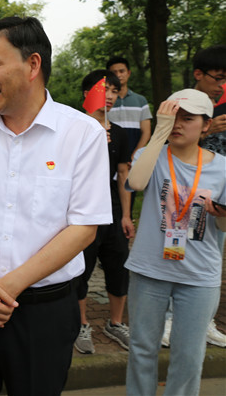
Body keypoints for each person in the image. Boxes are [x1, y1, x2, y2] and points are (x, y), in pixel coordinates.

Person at [0, 16, 112, 395]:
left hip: (44, 313)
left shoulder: (82, 134)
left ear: (32, 65)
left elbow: (84, 228)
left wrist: (4, 290)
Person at [125, 89, 226, 396]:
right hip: (149, 269)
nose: (178, 124)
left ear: (206, 125)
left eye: (188, 118)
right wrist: (160, 131)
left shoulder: (222, 167)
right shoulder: (150, 155)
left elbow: (223, 226)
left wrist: (221, 214)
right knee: (142, 349)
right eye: (172, 117)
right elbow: (136, 183)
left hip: (199, 275)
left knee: (189, 356)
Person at [161, 46, 226, 350]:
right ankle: (170, 319)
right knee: (177, 251)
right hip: (185, 191)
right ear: (199, 74)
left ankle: (205, 320)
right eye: (218, 77)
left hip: (219, 193)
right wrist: (206, 133)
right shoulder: (181, 105)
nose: (222, 86)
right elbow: (170, 142)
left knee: (213, 254)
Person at [74, 70, 135, 355]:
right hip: (82, 208)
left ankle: (116, 323)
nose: (109, 96)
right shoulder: (75, 127)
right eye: (103, 89)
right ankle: (81, 324)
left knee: (118, 264)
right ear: (87, 93)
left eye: (114, 90)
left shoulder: (119, 132)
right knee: (82, 267)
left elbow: (123, 174)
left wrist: (126, 215)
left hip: (111, 207)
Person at [106, 56, 152, 160]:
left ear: (129, 73)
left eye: (122, 71)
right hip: (109, 156)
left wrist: (135, 156)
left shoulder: (141, 101)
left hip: (135, 156)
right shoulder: (105, 102)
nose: (118, 75)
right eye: (114, 72)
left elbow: (146, 132)